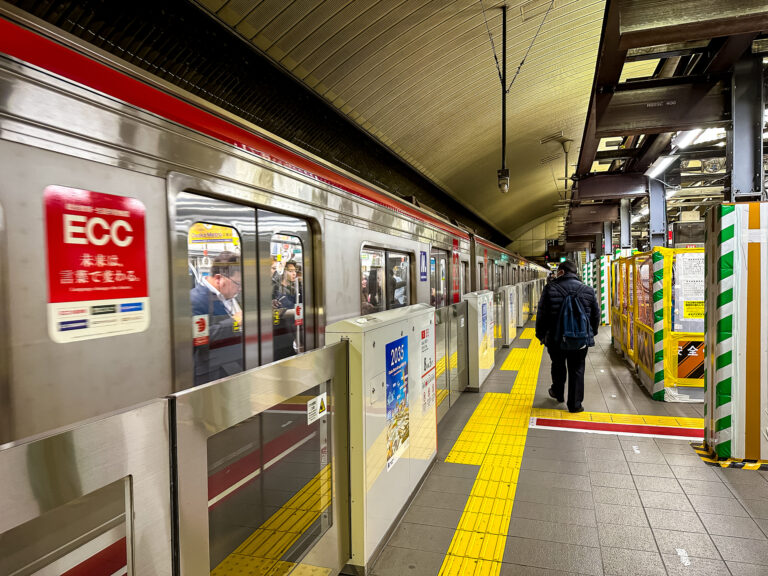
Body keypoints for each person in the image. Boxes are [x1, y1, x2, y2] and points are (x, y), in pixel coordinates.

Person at [535, 260, 600, 413]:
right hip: (580, 340)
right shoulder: (588, 290)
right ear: (575, 273)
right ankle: (575, 404)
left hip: (556, 339)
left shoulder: (550, 289)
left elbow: (542, 315)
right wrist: (591, 333)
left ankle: (558, 393)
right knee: (577, 369)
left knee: (557, 366)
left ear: (562, 272)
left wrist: (541, 335)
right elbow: (596, 316)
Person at [190, 251, 243, 386]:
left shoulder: (231, 297)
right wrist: (234, 321)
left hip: (232, 369)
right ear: (219, 278)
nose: (240, 289)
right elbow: (200, 338)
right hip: (211, 375)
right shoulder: (195, 300)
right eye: (238, 283)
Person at [272, 260, 299, 359]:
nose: (294, 273)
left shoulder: (294, 290)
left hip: (291, 334)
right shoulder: (275, 290)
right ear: (283, 272)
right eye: (291, 271)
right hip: (279, 335)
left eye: (295, 271)